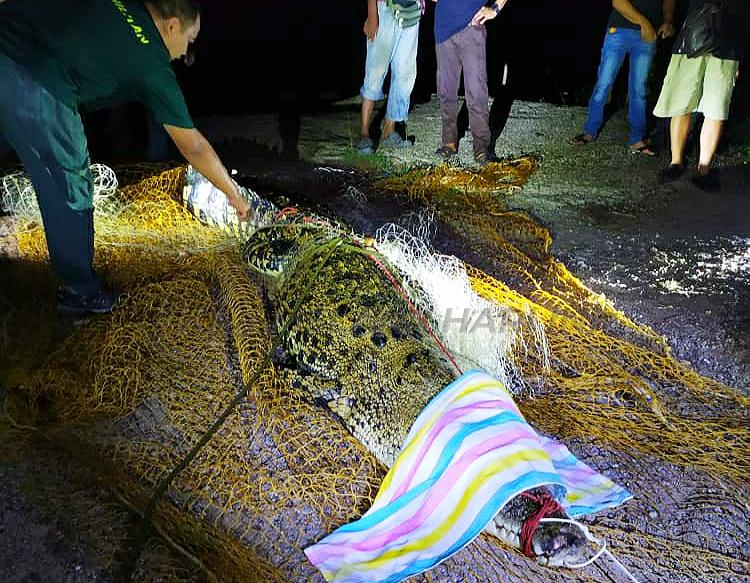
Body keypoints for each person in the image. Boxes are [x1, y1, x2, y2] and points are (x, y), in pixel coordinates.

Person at [0, 0, 251, 316]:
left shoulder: (124, 6)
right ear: (172, 25)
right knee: (71, 181)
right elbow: (194, 147)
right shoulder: (151, 61)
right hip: (33, 77)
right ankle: (80, 294)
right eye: (190, 39)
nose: (186, 52)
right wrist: (235, 196)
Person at [654, 0, 749, 191]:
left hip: (728, 46)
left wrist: (739, 57)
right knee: (681, 104)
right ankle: (676, 162)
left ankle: (703, 169)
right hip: (691, 41)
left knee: (716, 109)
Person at [569, 0, 676, 156]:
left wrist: (668, 21)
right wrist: (643, 23)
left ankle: (637, 139)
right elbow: (618, 2)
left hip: (648, 36)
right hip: (619, 30)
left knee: (639, 89)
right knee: (604, 83)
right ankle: (589, 131)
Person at [432, 0, 508, 165]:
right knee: (446, 88)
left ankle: (482, 147)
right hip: (443, 28)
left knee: (476, 89)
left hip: (472, 28)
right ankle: (449, 143)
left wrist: (495, 9)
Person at [357, 0, 423, 155]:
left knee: (405, 74)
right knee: (376, 69)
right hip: (385, 10)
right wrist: (372, 14)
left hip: (412, 14)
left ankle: (389, 130)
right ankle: (364, 134)